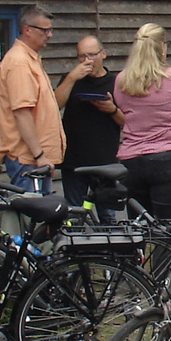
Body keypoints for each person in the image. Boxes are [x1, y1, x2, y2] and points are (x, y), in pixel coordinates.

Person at [112, 23, 171, 220]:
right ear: (162, 47)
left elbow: (122, 109)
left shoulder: (122, 80)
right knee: (169, 230)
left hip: (132, 162)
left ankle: (139, 252)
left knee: (138, 228)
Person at [0, 5, 65, 193]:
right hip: (28, 160)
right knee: (32, 217)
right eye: (44, 30)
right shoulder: (19, 62)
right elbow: (22, 113)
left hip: (34, 159)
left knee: (43, 218)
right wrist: (39, 154)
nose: (49, 35)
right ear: (27, 30)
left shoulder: (30, 59)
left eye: (51, 30)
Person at [54, 35, 124, 212]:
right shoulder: (70, 79)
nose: (87, 61)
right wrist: (71, 78)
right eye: (82, 56)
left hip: (105, 162)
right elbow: (54, 106)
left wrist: (112, 109)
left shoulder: (116, 83)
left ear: (103, 54)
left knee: (107, 217)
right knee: (74, 213)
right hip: (73, 161)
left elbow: (128, 122)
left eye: (92, 55)